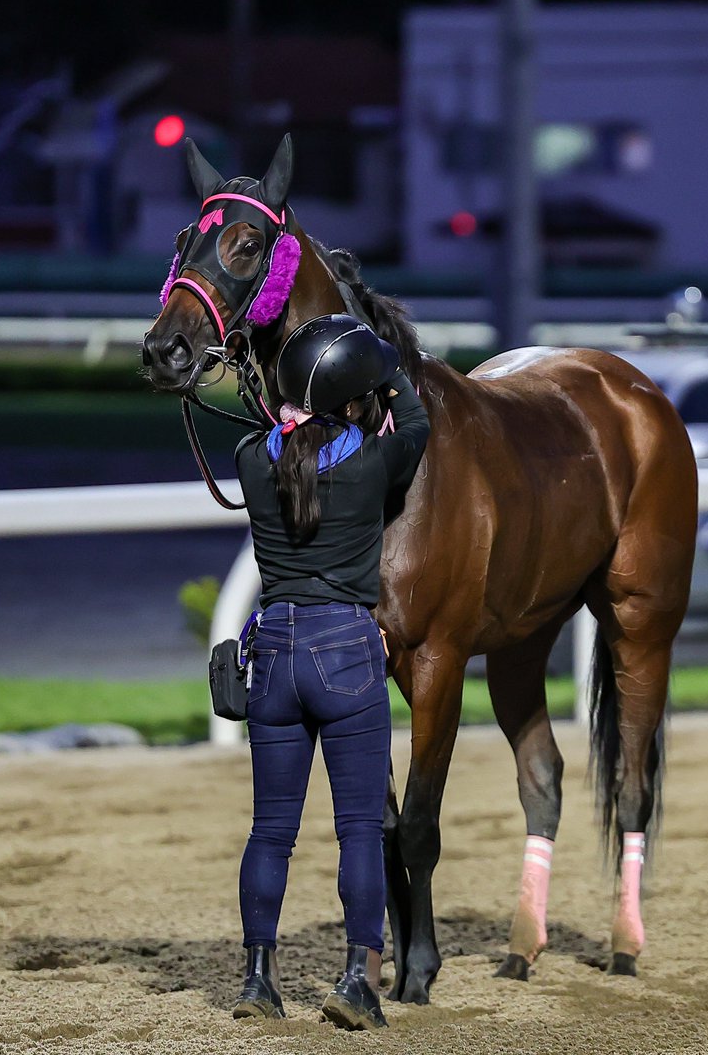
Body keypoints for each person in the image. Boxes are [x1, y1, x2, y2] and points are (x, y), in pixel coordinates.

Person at [231, 313, 430, 1031]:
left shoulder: (254, 459)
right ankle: (354, 978)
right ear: (354, 399)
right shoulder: (376, 462)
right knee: (357, 830)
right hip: (346, 650)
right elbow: (413, 423)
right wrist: (389, 369)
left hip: (273, 656)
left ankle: (257, 978)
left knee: (269, 833)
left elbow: (271, 425)